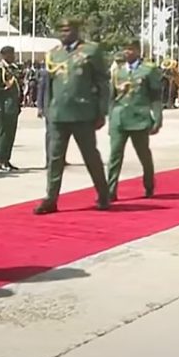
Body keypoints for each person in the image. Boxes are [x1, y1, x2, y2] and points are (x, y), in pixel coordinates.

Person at [34, 18, 110, 215]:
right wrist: (46, 109)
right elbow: (48, 85)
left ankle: (103, 193)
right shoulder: (54, 54)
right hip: (58, 114)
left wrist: (102, 111)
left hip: (83, 113)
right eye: (60, 30)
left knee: (91, 156)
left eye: (67, 29)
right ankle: (51, 198)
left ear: (77, 30)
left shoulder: (91, 51)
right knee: (54, 158)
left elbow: (102, 82)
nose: (64, 33)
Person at [106, 39, 162, 201]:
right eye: (125, 49)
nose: (127, 52)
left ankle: (149, 184)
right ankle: (110, 191)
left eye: (130, 49)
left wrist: (157, 118)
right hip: (119, 119)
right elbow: (112, 98)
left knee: (144, 155)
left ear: (138, 51)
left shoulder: (148, 71)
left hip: (139, 119)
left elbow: (155, 97)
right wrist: (110, 120)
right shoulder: (118, 72)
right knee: (114, 156)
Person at [0, 46, 22, 171]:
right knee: (3, 134)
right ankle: (0, 160)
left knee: (10, 134)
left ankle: (7, 159)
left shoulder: (14, 69)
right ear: (4, 55)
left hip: (13, 106)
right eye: (11, 54)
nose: (13, 56)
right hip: (3, 106)